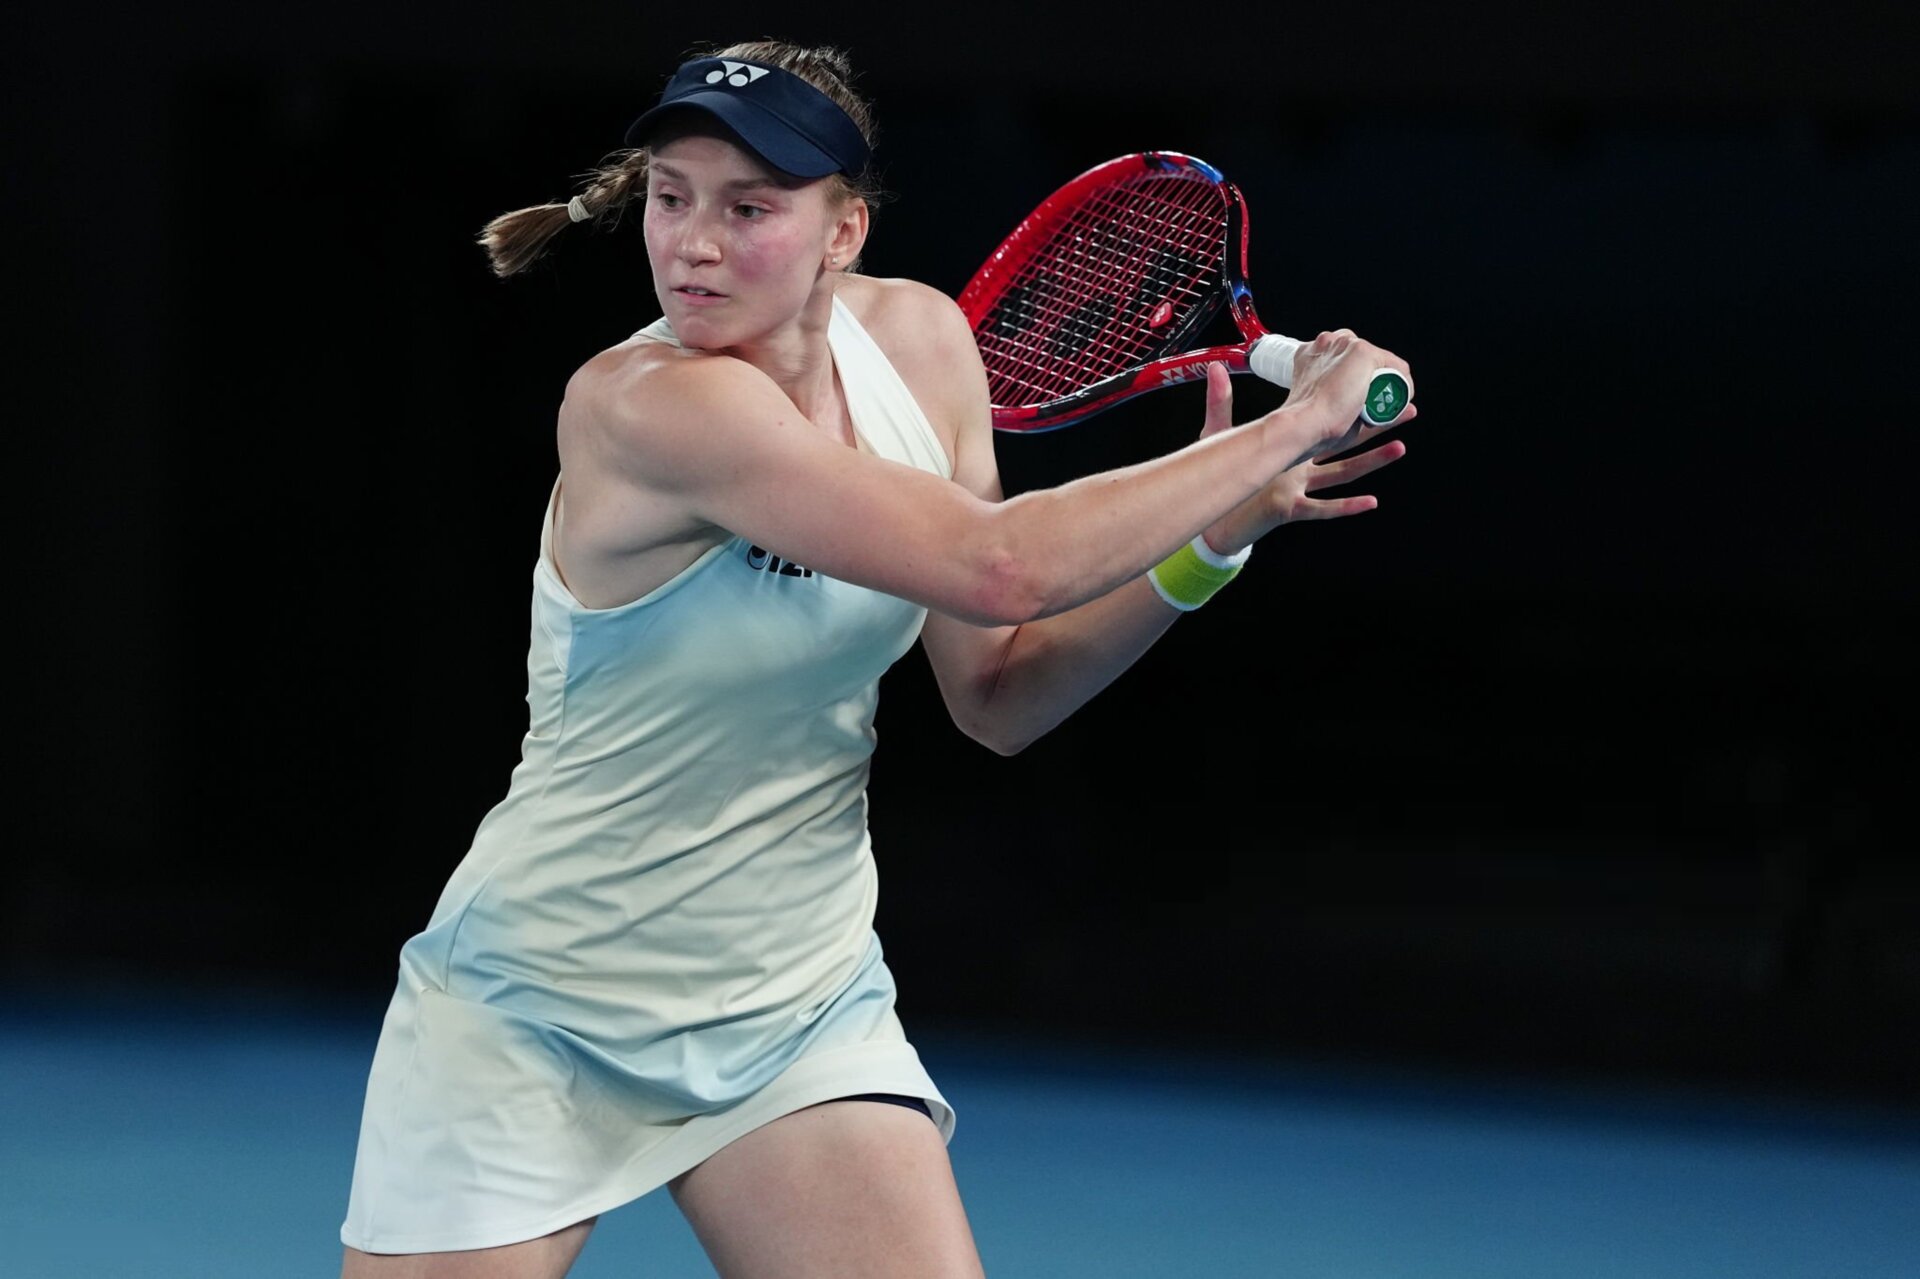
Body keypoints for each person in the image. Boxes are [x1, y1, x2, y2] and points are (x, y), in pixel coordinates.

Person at [339, 38, 1415, 1279]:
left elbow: (1000, 690)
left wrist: (1214, 538)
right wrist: (1299, 421)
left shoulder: (920, 348)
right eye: (672, 198)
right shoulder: (643, 405)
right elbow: (999, 566)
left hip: (792, 1002)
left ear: (842, 231)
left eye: (749, 209)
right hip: (542, 1005)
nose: (694, 245)